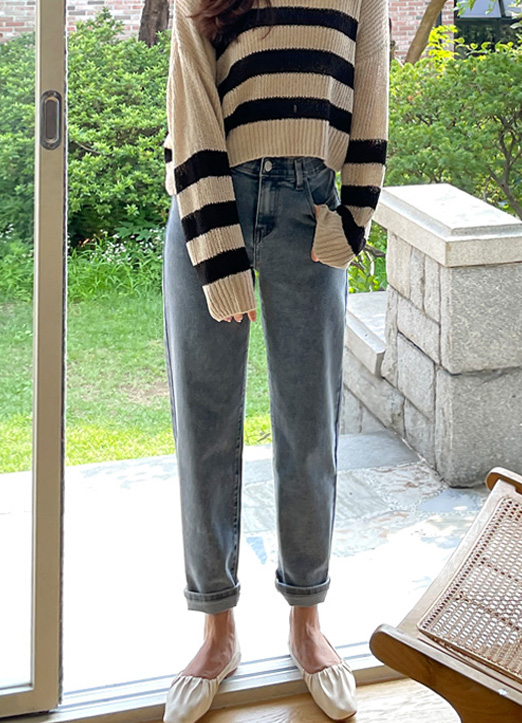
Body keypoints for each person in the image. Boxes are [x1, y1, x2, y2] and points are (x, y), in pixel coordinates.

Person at [161, 0, 389, 719]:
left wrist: (354, 217)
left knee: (310, 425)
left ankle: (307, 618)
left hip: (310, 209)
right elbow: (192, 101)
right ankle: (217, 627)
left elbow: (371, 85)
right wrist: (218, 253)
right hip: (210, 202)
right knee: (204, 427)